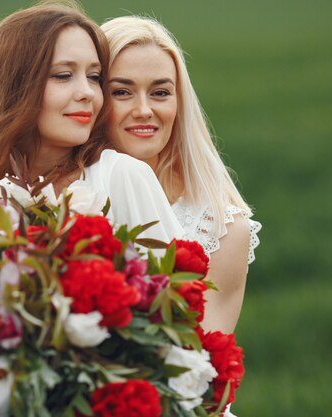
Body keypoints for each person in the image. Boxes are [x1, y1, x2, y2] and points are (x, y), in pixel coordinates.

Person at [0, 3, 184, 273]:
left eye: (94, 76)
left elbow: (178, 302)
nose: (87, 92)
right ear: (13, 86)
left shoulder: (122, 176)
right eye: (63, 75)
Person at [102, 16, 261, 334]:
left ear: (179, 102)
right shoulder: (60, 197)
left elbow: (211, 371)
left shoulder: (221, 231)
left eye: (160, 93)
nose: (144, 109)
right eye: (122, 92)